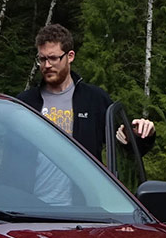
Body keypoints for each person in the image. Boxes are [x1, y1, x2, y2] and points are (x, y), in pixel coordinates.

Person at [16, 23, 156, 163]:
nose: (47, 65)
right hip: (35, 186)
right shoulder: (26, 103)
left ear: (70, 56)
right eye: (42, 59)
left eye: (53, 58)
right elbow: (12, 155)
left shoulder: (94, 100)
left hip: (83, 186)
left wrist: (142, 135)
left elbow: (125, 149)